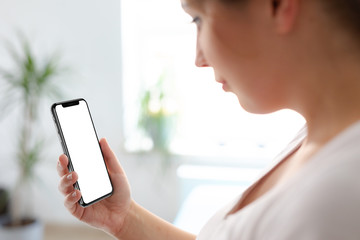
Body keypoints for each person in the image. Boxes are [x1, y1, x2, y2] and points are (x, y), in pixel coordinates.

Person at [57, 0, 360, 239]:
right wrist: (124, 219)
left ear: (277, 4)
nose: (199, 58)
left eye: (198, 19)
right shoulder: (317, 136)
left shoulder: (336, 198)